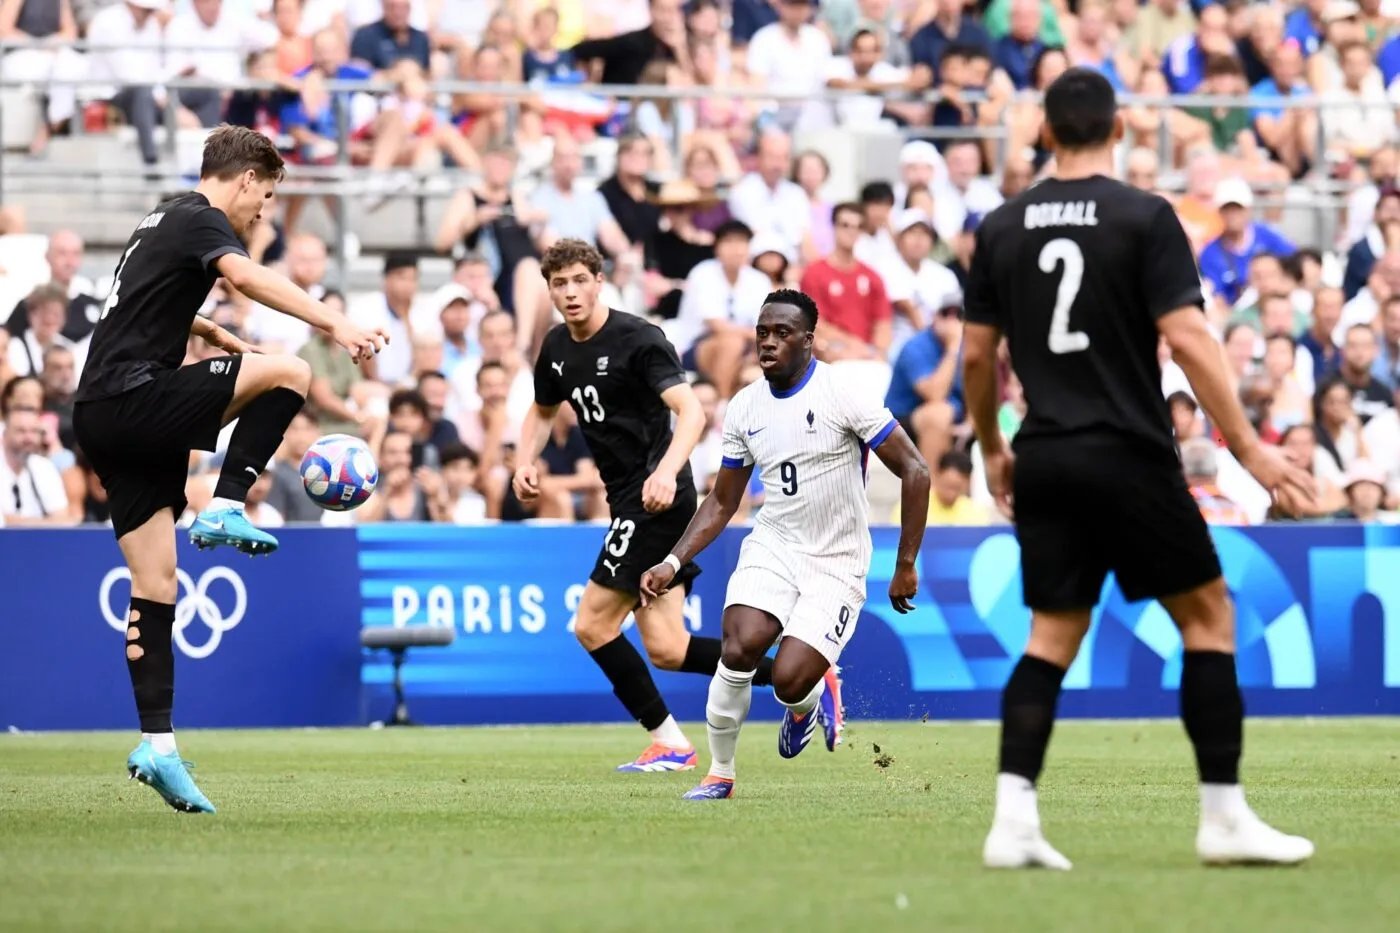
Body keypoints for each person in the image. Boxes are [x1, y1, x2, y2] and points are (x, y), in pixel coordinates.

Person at [960, 68, 1317, 869]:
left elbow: (977, 355)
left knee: (1050, 634)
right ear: (1119, 129)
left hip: (1044, 452)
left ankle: (1012, 820)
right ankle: (1222, 818)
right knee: (1209, 618)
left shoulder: (1001, 225)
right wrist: (1251, 447)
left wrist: (993, 447)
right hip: (1128, 452)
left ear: (1045, 133)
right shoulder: (1145, 216)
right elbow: (1189, 340)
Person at [70, 125, 387, 815]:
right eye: (266, 199)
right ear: (245, 179)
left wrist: (206, 331)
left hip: (102, 411)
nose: (261, 214)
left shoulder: (163, 217)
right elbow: (241, 274)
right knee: (291, 370)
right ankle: (228, 501)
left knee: (157, 583)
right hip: (131, 397)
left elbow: (141, 306)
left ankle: (158, 744)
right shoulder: (200, 218)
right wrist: (333, 321)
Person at [638, 289, 930, 801]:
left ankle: (806, 702)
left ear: (809, 342)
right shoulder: (746, 405)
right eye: (762, 333)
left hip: (837, 558)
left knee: (790, 681)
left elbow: (916, 470)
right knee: (739, 643)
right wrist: (672, 560)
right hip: (775, 543)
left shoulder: (843, 392)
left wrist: (905, 563)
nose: (768, 343)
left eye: (782, 334)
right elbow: (722, 502)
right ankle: (720, 774)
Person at [512, 239, 779, 773]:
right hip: (628, 500)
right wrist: (523, 460)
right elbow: (542, 412)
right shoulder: (556, 348)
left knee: (591, 625)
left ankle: (671, 744)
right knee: (668, 648)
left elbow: (692, 413)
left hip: (657, 499)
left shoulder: (638, 338)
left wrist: (664, 471)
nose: (570, 292)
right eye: (559, 284)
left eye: (579, 280)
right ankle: (804, 670)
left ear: (599, 280)